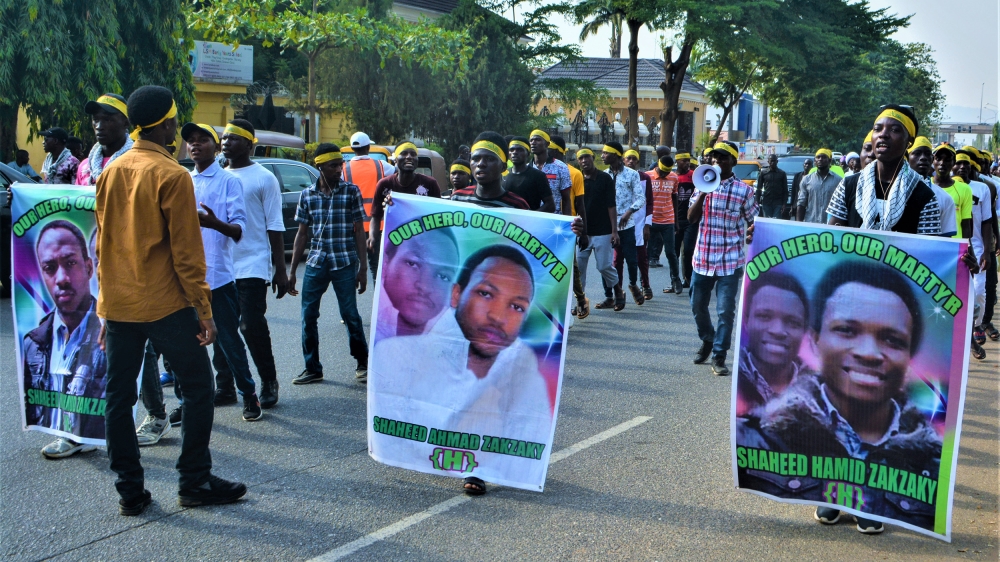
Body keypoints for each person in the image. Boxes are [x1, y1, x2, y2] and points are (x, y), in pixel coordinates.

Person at [96, 85, 246, 517]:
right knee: (200, 389)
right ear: (164, 125)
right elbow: (187, 254)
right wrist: (205, 312)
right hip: (165, 305)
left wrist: (103, 309)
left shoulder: (111, 171)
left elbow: (103, 247)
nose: (177, 131)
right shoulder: (173, 175)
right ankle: (194, 480)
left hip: (120, 306)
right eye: (175, 123)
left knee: (117, 397)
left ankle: (130, 492)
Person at [738, 260, 941, 533]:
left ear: (908, 358)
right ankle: (830, 497)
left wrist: (968, 266)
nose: (868, 353)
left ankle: (866, 506)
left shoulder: (931, 461)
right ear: (815, 340)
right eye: (847, 330)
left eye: (892, 339)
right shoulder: (761, 436)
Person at [373, 244, 551, 493]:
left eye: (517, 307)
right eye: (486, 294)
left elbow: (528, 443)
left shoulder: (524, 373)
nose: (498, 317)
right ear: (457, 294)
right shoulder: (397, 356)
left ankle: (477, 470)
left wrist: (574, 230)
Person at [182, 122, 262, 422]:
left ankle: (248, 393)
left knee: (229, 340)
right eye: (191, 140)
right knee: (185, 344)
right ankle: (189, 401)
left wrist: (213, 223)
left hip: (217, 276)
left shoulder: (229, 181)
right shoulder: (183, 180)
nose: (195, 145)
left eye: (202, 140)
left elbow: (239, 229)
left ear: (215, 147)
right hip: (184, 277)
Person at [288, 143, 370, 384]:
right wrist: (292, 271)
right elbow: (302, 234)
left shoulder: (350, 192)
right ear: (320, 166)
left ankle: (363, 363)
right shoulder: (307, 195)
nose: (338, 170)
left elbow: (359, 231)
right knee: (308, 315)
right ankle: (312, 367)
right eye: (333, 166)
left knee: (350, 314)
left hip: (344, 261)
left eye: (340, 165)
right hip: (316, 262)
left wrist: (363, 268)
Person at [22, 220, 105, 457]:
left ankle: (156, 416)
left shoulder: (110, 334)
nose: (61, 278)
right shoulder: (32, 343)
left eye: (70, 263)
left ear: (89, 267)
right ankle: (71, 435)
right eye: (49, 267)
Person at [220, 119, 287, 410]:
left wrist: (281, 270)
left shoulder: (264, 178)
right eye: (224, 138)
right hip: (222, 266)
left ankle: (268, 381)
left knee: (251, 325)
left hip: (253, 263)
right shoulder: (219, 176)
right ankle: (225, 386)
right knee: (222, 329)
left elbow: (275, 224)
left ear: (249, 144)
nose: (226, 143)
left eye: (233, 138)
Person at [687, 141, 758, 376]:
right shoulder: (702, 183)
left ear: (733, 162)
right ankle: (708, 338)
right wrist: (703, 192)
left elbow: (755, 221)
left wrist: (753, 231)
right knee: (697, 306)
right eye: (714, 157)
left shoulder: (744, 191)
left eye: (723, 157)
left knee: (725, 311)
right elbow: (691, 218)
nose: (717, 161)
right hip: (703, 259)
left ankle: (719, 355)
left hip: (730, 261)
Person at [736, 271, 808, 417]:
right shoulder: (733, 381)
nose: (778, 331)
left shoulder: (824, 393)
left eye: (793, 322)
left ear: (804, 331)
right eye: (764, 316)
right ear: (746, 321)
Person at [370, 141, 442, 277]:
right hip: (394, 244)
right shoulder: (384, 185)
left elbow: (439, 216)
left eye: (413, 154)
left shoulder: (430, 184)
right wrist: (373, 237)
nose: (409, 157)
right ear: (395, 159)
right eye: (404, 153)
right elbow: (375, 215)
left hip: (423, 246)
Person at [376, 226, 460, 341]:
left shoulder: (456, 339)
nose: (425, 287)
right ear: (385, 264)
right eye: (412, 264)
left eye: (443, 276)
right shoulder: (375, 326)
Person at [953, 148, 995, 361]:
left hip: (976, 247)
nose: (962, 167)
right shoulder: (943, 188)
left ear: (972, 167)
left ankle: (976, 325)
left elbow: (987, 221)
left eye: (966, 164)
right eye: (958, 163)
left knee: (979, 292)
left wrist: (987, 250)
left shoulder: (982, 188)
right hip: (952, 249)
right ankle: (964, 335)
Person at [343, 131, 394, 279]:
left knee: (353, 265)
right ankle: (377, 293)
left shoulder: (344, 169)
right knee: (376, 266)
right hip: (377, 225)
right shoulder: (381, 165)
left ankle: (351, 293)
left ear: (352, 149)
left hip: (354, 226)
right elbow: (398, 175)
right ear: (368, 148)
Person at [575, 148, 618, 316]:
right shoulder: (577, 178)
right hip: (582, 232)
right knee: (579, 270)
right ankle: (580, 301)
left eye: (587, 157)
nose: (584, 160)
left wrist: (614, 231)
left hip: (603, 230)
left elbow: (611, 205)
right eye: (580, 158)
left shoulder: (605, 178)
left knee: (604, 266)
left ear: (593, 158)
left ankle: (618, 290)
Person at [601, 141, 644, 310]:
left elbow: (640, 198)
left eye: (606, 153)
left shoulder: (632, 174)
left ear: (616, 155)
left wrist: (628, 212)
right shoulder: (603, 175)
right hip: (606, 224)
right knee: (607, 263)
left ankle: (633, 284)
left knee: (631, 259)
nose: (603, 156)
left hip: (626, 223)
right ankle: (610, 295)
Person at [648, 156, 683, 295]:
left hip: (668, 220)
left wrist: (676, 221)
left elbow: (674, 197)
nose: (664, 175)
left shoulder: (674, 177)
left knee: (670, 252)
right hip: (650, 220)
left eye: (667, 172)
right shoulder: (647, 176)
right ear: (657, 165)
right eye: (662, 172)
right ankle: (644, 283)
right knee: (646, 254)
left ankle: (676, 280)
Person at [623, 148, 654, 301]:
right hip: (621, 224)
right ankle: (617, 291)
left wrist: (647, 225)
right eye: (628, 158)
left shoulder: (645, 178)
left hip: (639, 224)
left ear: (637, 161)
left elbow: (649, 202)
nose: (631, 161)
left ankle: (645, 285)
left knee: (642, 257)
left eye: (634, 159)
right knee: (617, 259)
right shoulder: (617, 176)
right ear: (623, 160)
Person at [927, 142, 969, 238]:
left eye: (947, 160)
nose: (942, 163)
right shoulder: (924, 185)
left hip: (954, 244)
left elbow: (966, 224)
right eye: (938, 159)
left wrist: (965, 245)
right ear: (933, 161)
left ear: (954, 162)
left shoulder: (965, 189)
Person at [502, 136, 553, 212]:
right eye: (511, 150)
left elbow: (550, 205)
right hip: (506, 218)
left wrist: (530, 216)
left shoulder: (538, 176)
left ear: (528, 153)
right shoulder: (503, 175)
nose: (515, 152)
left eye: (520, 150)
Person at [529, 129, 571, 214]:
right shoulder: (527, 168)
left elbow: (566, 199)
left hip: (553, 218)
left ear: (547, 144)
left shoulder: (561, 167)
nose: (533, 142)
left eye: (538, 140)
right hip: (531, 218)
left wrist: (566, 220)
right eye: (531, 140)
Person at [796, 149, 841, 224]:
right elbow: (801, 203)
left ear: (830, 161)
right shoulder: (806, 180)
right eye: (818, 157)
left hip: (830, 224)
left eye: (824, 157)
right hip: (811, 223)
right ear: (815, 161)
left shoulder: (838, 180)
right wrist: (798, 224)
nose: (820, 159)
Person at [673, 153, 697, 285]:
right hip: (675, 219)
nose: (687, 163)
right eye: (684, 161)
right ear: (677, 161)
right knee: (673, 252)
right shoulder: (672, 177)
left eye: (688, 161)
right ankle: (674, 279)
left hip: (690, 220)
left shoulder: (694, 176)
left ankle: (688, 278)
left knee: (688, 250)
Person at [756, 154, 787, 218]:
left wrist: (784, 204)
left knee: (776, 221)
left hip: (778, 202)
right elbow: (759, 188)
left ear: (777, 161)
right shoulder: (763, 173)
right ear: (768, 162)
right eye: (771, 161)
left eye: (774, 161)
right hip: (766, 202)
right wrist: (757, 202)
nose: (773, 163)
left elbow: (785, 190)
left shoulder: (782, 173)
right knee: (767, 222)